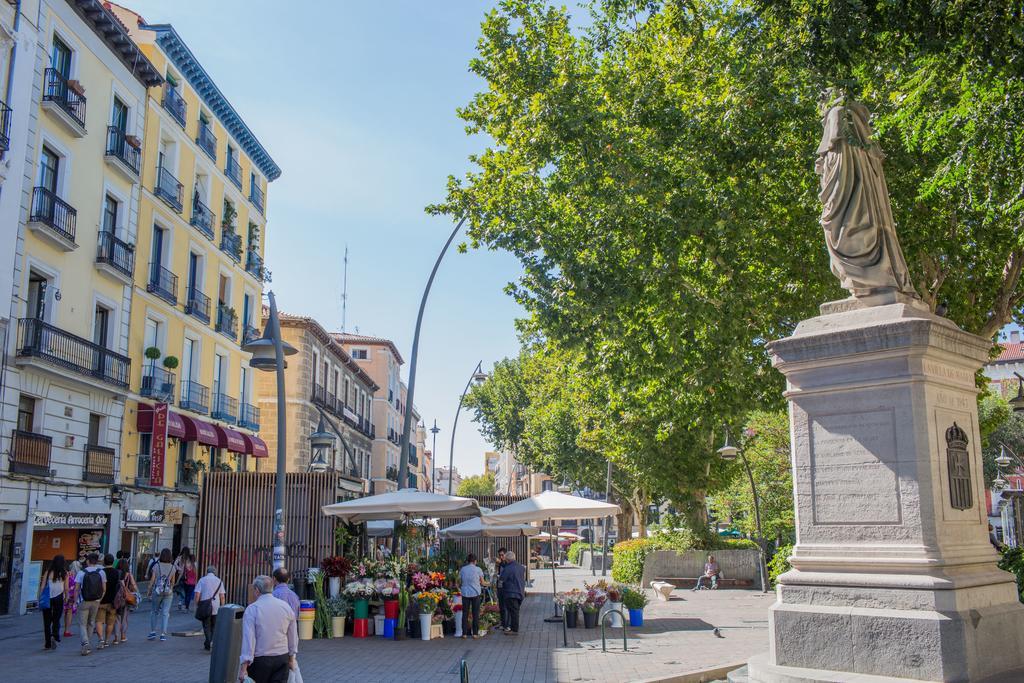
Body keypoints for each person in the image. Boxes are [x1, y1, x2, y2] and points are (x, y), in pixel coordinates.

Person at [239, 575, 298, 683]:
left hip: (260, 660)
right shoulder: (285, 607)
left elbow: (249, 640)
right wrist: (291, 658)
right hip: (282, 658)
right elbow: (293, 635)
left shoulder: (252, 609)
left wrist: (243, 667)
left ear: (257, 590)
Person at [76, 552, 106, 656]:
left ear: (88, 561)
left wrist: (75, 600)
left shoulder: (81, 572)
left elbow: (76, 589)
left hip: (84, 600)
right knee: (91, 622)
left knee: (82, 623)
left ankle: (85, 642)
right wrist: (99, 599)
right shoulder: (101, 572)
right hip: (96, 601)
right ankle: (88, 643)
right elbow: (104, 589)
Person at [194, 565, 227, 651]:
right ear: (215, 572)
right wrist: (222, 607)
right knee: (214, 626)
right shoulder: (219, 581)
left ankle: (208, 642)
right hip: (216, 606)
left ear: (207, 572)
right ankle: (211, 641)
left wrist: (197, 604)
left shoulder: (202, 580)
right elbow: (222, 596)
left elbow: (197, 595)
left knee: (206, 625)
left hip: (205, 606)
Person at [39, 554, 68, 650]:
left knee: (46, 621)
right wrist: (66, 597)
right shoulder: (64, 573)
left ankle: (47, 643)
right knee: (57, 617)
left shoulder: (48, 572)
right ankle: (55, 634)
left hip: (48, 597)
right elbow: (66, 588)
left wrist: (40, 596)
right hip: (59, 597)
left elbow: (42, 586)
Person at [148, 548, 178, 641]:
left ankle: (153, 632)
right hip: (168, 592)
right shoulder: (173, 567)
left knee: (154, 612)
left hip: (157, 591)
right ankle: (163, 634)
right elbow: (173, 582)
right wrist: (170, 589)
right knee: (165, 613)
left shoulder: (156, 566)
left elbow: (152, 580)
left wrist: (149, 591)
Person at [95, 554, 121, 649]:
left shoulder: (101, 572)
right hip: (113, 601)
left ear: (104, 562)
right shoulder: (116, 572)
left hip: (101, 600)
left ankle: (100, 639)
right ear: (113, 562)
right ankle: (107, 640)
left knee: (99, 621)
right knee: (110, 623)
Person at [459, 554, 487, 639]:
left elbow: (459, 581)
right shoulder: (478, 569)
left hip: (465, 594)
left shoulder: (463, 569)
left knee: (465, 614)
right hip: (475, 594)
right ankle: (475, 633)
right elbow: (482, 583)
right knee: (475, 614)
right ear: (475, 561)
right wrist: (488, 583)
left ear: (468, 561)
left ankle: (464, 634)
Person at [498, 551, 526, 634]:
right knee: (515, 611)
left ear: (507, 559)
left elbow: (501, 580)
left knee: (513, 612)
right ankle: (512, 628)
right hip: (520, 591)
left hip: (510, 593)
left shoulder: (507, 568)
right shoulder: (521, 567)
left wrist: (499, 590)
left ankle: (514, 630)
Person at [113, 558, 136, 644]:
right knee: (124, 618)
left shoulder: (115, 573)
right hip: (125, 598)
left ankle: (115, 637)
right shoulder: (129, 575)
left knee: (117, 618)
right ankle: (123, 635)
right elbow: (133, 585)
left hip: (116, 598)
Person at [63, 559, 80, 637]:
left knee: (66, 613)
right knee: (69, 613)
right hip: (72, 596)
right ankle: (67, 630)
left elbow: (66, 586)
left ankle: (65, 629)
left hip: (66, 595)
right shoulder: (79, 575)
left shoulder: (68, 574)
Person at [495, 548, 508, 630]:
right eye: (499, 555)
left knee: (505, 606)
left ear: (506, 555)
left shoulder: (507, 563)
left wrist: (500, 562)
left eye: (502, 555)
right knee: (501, 606)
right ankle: (503, 623)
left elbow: (506, 568)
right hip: (500, 585)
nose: (501, 557)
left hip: (505, 587)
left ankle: (506, 624)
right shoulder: (500, 563)